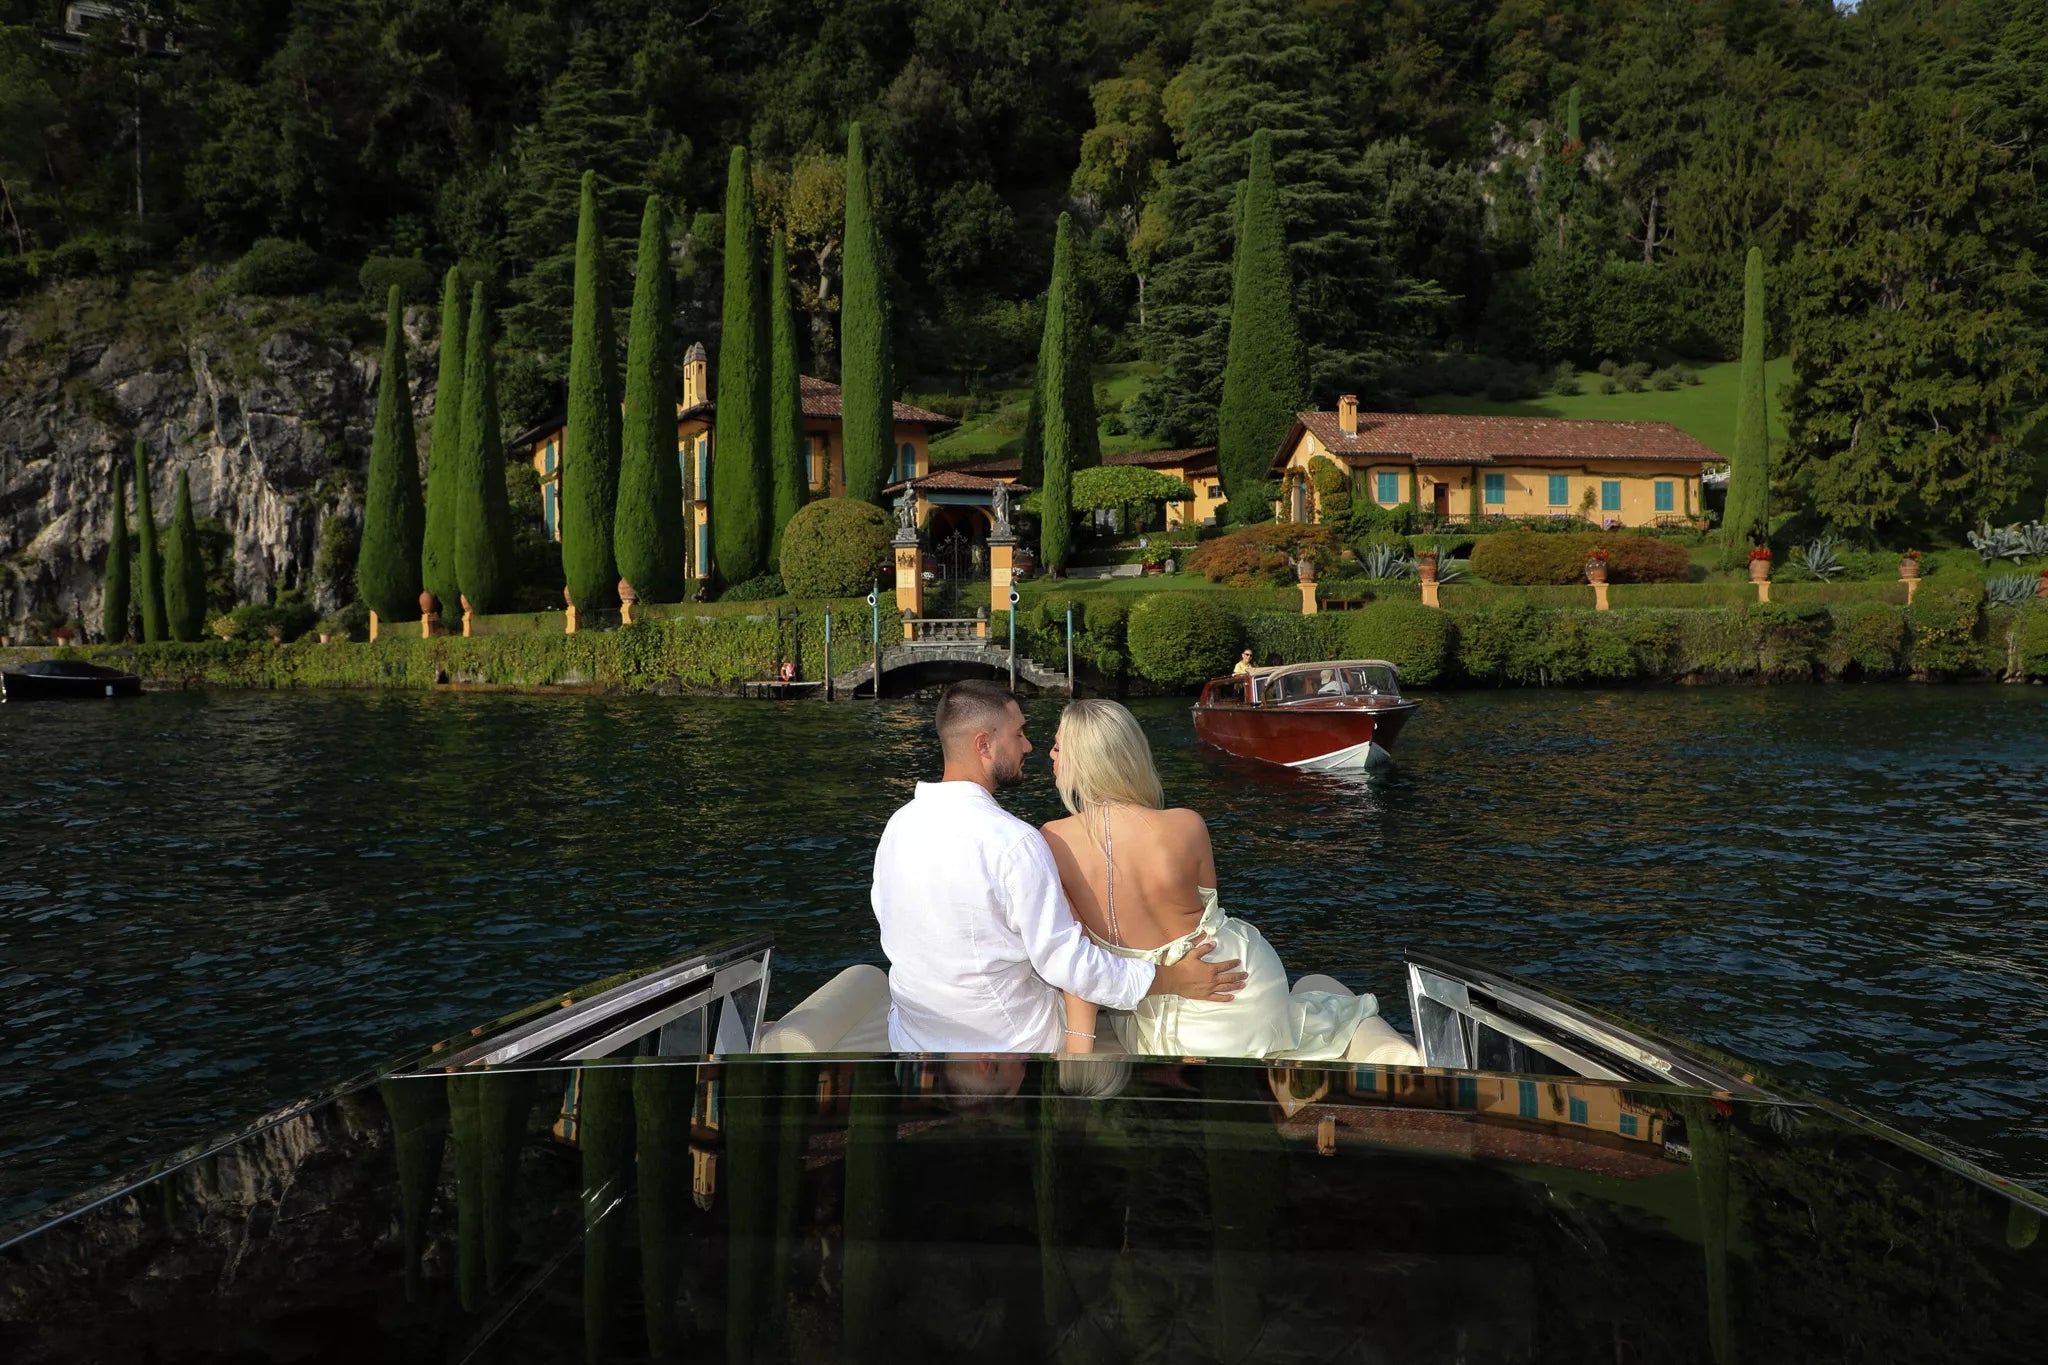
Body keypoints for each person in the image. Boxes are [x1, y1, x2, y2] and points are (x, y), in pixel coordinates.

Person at [871, 679, 1247, 1053]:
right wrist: (1169, 980)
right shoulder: (1014, 842)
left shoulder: (897, 827)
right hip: (1010, 1043)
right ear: (983, 744)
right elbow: (1066, 963)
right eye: (1019, 734)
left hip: (913, 1037)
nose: (1029, 747)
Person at [1039, 699, 1379, 1060]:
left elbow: (1077, 959)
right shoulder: (1186, 824)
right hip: (1239, 980)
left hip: (1161, 1009)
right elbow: (1209, 912)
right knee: (1322, 1014)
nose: (1050, 755)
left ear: (1084, 757)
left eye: (1059, 746)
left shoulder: (1052, 840)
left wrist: (1078, 1057)